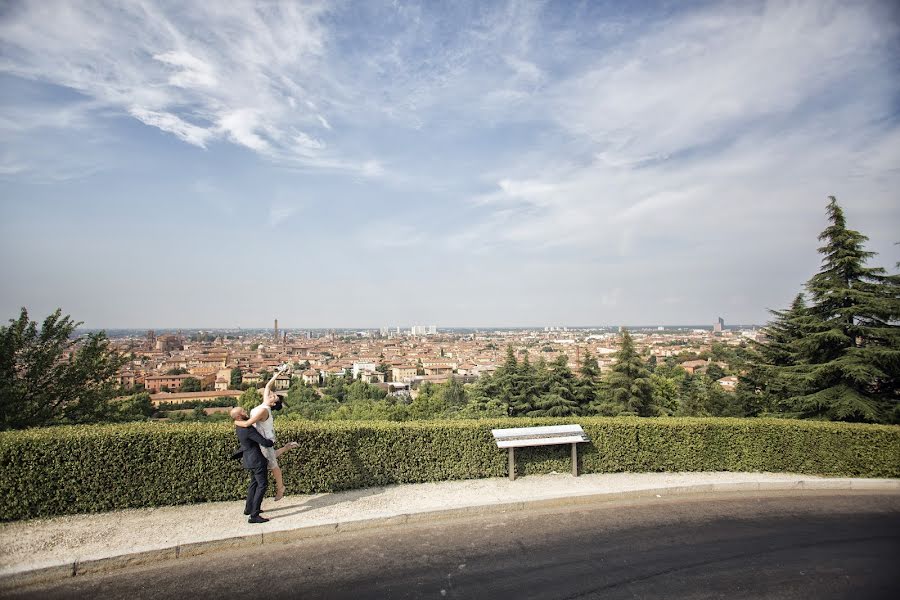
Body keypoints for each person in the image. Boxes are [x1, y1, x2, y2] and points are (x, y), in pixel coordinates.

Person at [234, 366, 298, 501]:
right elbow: (268, 385)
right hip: (261, 439)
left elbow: (247, 423)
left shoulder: (264, 411)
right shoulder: (264, 403)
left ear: (274, 403)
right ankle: (287, 447)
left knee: (273, 465)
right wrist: (279, 373)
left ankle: (280, 488)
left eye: (273, 396)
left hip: (265, 439)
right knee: (270, 458)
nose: (271, 394)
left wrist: (235, 422)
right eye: (271, 394)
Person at [230, 406, 275, 523]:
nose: (246, 412)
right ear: (239, 416)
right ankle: (254, 515)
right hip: (257, 460)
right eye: (243, 411)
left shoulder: (239, 426)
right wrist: (272, 441)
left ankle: (248, 508)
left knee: (254, 484)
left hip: (249, 460)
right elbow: (264, 442)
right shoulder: (248, 429)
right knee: (262, 485)